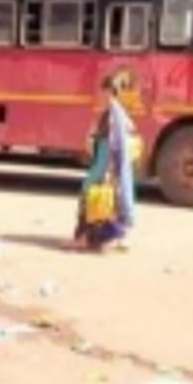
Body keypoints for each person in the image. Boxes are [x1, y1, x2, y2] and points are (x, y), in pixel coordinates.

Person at [73, 73, 139, 252]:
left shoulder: (113, 112)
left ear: (110, 91)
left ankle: (86, 238)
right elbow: (129, 133)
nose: (100, 95)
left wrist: (109, 170)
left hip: (106, 166)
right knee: (114, 201)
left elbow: (114, 144)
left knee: (91, 195)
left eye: (103, 91)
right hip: (111, 167)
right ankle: (117, 239)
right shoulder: (117, 112)